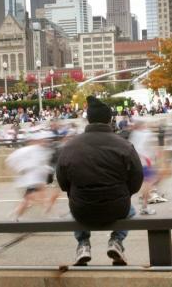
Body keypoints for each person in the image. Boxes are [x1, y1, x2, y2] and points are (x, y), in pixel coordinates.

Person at [56, 96, 143, 266]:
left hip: (82, 208)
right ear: (110, 119)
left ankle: (83, 244)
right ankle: (117, 240)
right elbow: (137, 177)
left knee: (74, 209)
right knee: (131, 211)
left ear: (88, 119)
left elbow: (62, 180)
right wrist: (125, 193)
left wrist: (74, 192)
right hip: (117, 206)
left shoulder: (70, 146)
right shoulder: (124, 145)